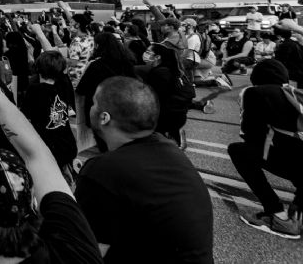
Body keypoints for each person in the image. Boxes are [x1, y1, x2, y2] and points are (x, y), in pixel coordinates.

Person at [0, 59, 104, 263]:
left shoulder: (72, 232)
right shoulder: (74, 240)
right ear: (33, 197)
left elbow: (36, 156)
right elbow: (37, 154)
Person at [75, 76, 213, 263]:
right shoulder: (169, 148)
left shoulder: (102, 171)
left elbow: (85, 252)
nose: (90, 107)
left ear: (104, 117)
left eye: (94, 103)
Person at [227, 59, 302, 239]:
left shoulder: (255, 93)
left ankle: (276, 214)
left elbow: (250, 135)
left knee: (238, 151)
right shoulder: (296, 95)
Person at [21, 51, 78, 185]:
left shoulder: (34, 91)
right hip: (67, 142)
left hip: (47, 147)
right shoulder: (64, 85)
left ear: (38, 69)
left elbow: (25, 117)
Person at [75, 33, 135, 152]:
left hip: (100, 109)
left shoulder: (95, 65)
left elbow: (81, 88)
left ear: (98, 45)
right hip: (123, 106)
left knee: (103, 142)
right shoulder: (127, 61)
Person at [141, 43, 192, 147]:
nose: (145, 54)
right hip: (179, 114)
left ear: (157, 57)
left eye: (148, 52)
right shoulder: (171, 69)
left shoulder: (160, 73)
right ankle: (173, 132)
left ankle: (173, 135)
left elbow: (155, 99)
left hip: (169, 117)